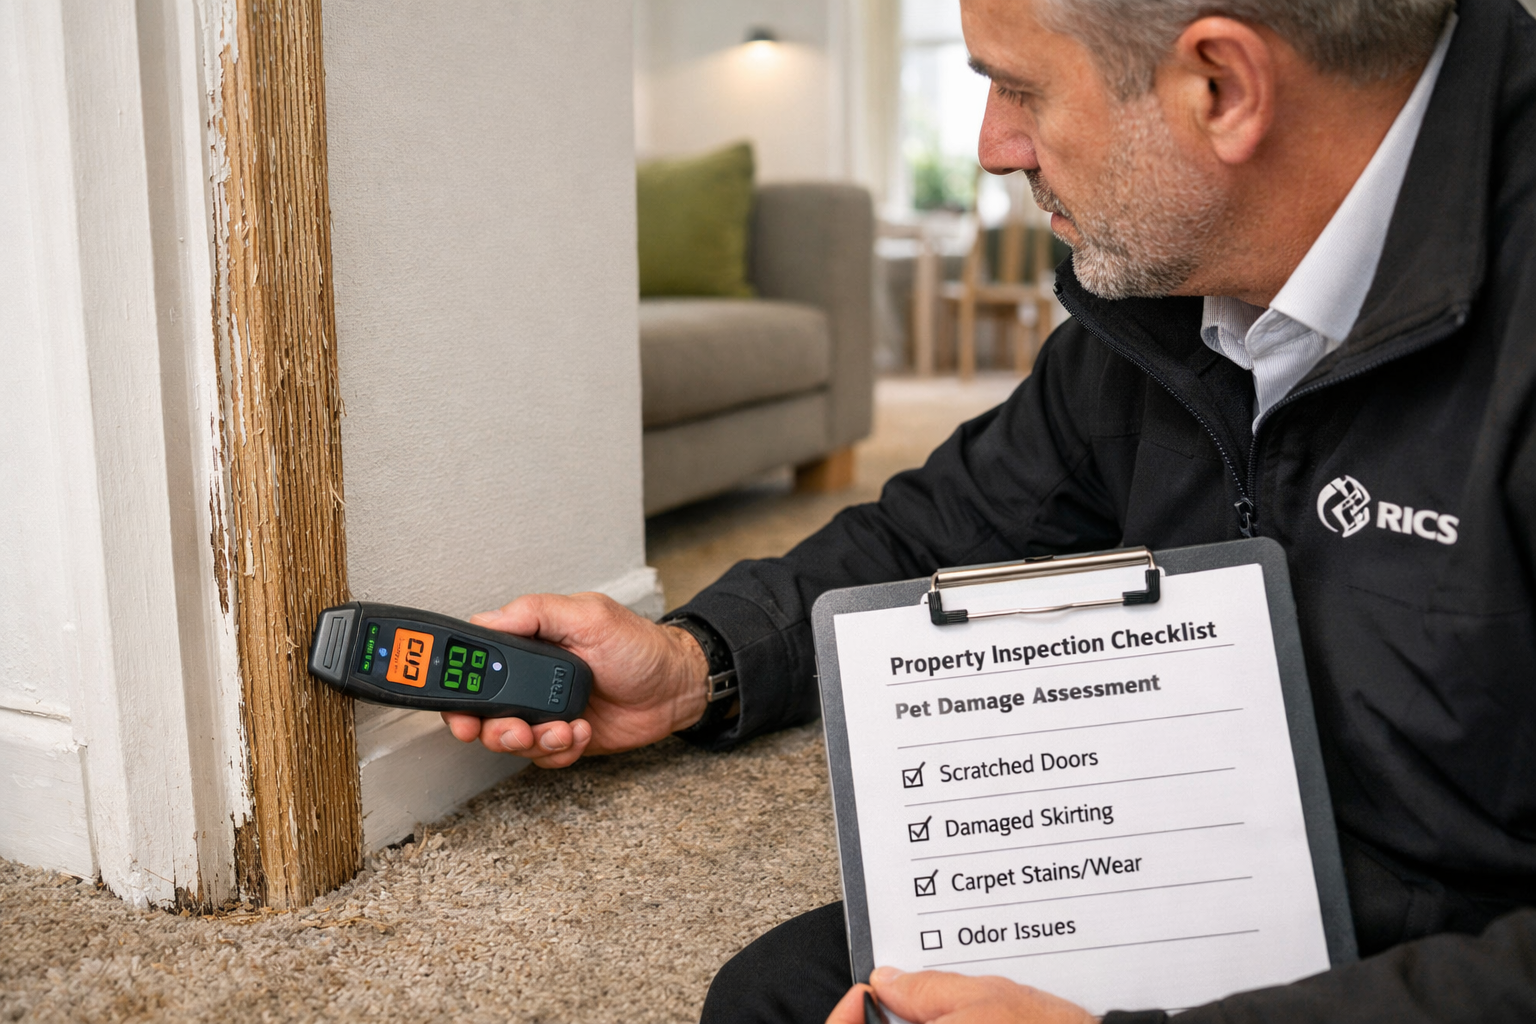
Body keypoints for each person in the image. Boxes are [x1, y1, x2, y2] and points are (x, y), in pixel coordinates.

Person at [445, 0, 1536, 1020]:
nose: (991, 145)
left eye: (1019, 88)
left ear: (1221, 86)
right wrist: (696, 661)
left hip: (1461, 946)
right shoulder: (1163, 305)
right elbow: (945, 529)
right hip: (1223, 861)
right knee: (780, 997)